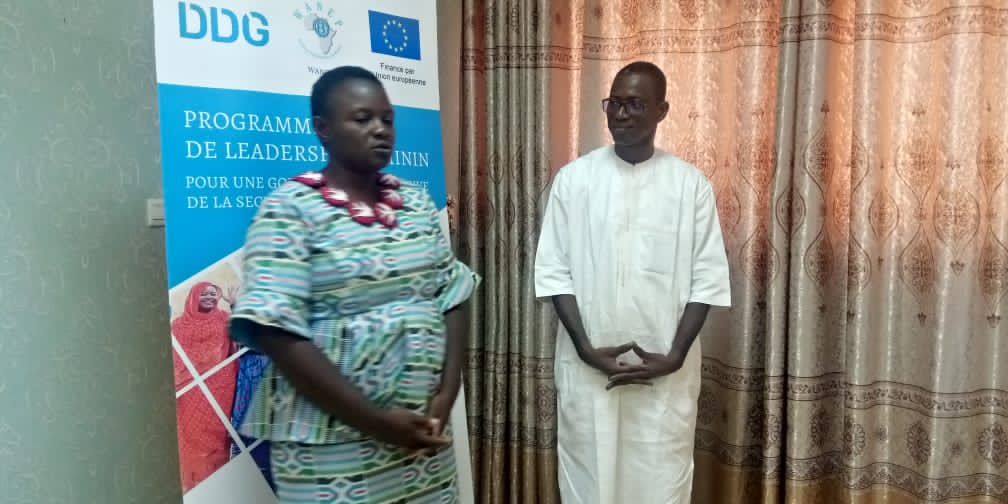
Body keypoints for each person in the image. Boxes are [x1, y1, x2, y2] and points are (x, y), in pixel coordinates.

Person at [229, 65, 477, 503]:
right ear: (322, 128)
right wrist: (376, 421)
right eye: (362, 119)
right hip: (330, 447)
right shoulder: (289, 209)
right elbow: (276, 330)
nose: (380, 129)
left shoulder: (416, 202)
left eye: (387, 119)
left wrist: (447, 391)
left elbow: (452, 292)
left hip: (421, 434)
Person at [534, 61, 731, 504]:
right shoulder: (574, 180)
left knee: (659, 484)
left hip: (663, 374)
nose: (620, 114)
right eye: (614, 103)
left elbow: (707, 278)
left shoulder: (690, 186)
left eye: (635, 104)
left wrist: (676, 356)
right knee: (589, 483)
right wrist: (585, 349)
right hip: (589, 372)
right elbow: (553, 271)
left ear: (662, 111)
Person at [171, 281, 239, 492]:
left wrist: (235, 306)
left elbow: (239, 342)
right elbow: (175, 363)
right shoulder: (177, 327)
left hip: (221, 392)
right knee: (193, 443)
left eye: (213, 293)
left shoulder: (224, 319)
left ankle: (223, 488)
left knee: (219, 441)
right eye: (204, 293)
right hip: (191, 396)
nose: (209, 297)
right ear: (194, 296)